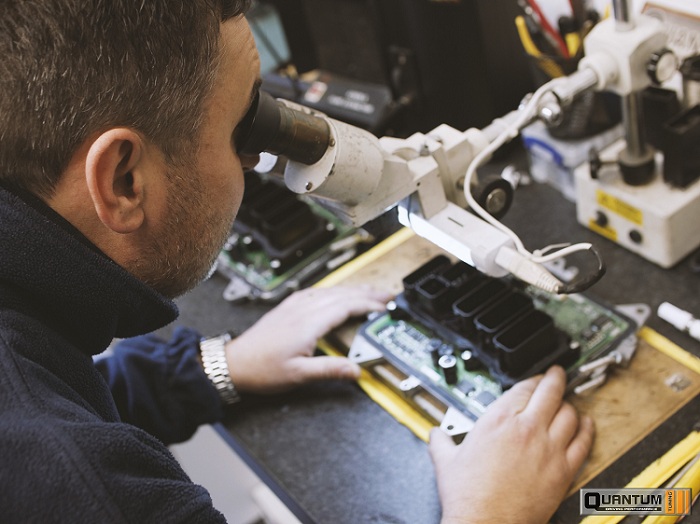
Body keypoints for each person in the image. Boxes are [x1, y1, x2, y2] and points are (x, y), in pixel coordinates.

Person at [0, 1, 594, 522]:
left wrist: (214, 366)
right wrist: (489, 515)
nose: (260, 154)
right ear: (124, 181)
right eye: (240, 130)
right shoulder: (83, 486)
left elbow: (52, 383)